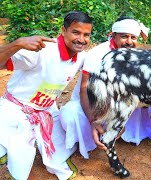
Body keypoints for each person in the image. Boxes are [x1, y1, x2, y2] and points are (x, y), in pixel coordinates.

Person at [0, 11, 92, 179]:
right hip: (17, 109)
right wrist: (18, 43)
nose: (81, 39)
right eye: (76, 32)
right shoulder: (41, 51)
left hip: (47, 110)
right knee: (20, 159)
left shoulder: (82, 57)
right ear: (63, 31)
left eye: (86, 35)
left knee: (59, 152)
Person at [59, 16, 151, 156]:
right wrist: (94, 120)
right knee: (70, 115)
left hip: (116, 103)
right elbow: (84, 89)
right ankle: (92, 135)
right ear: (113, 36)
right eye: (124, 36)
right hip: (93, 103)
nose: (129, 42)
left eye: (133, 37)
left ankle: (126, 131)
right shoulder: (97, 54)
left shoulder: (135, 54)